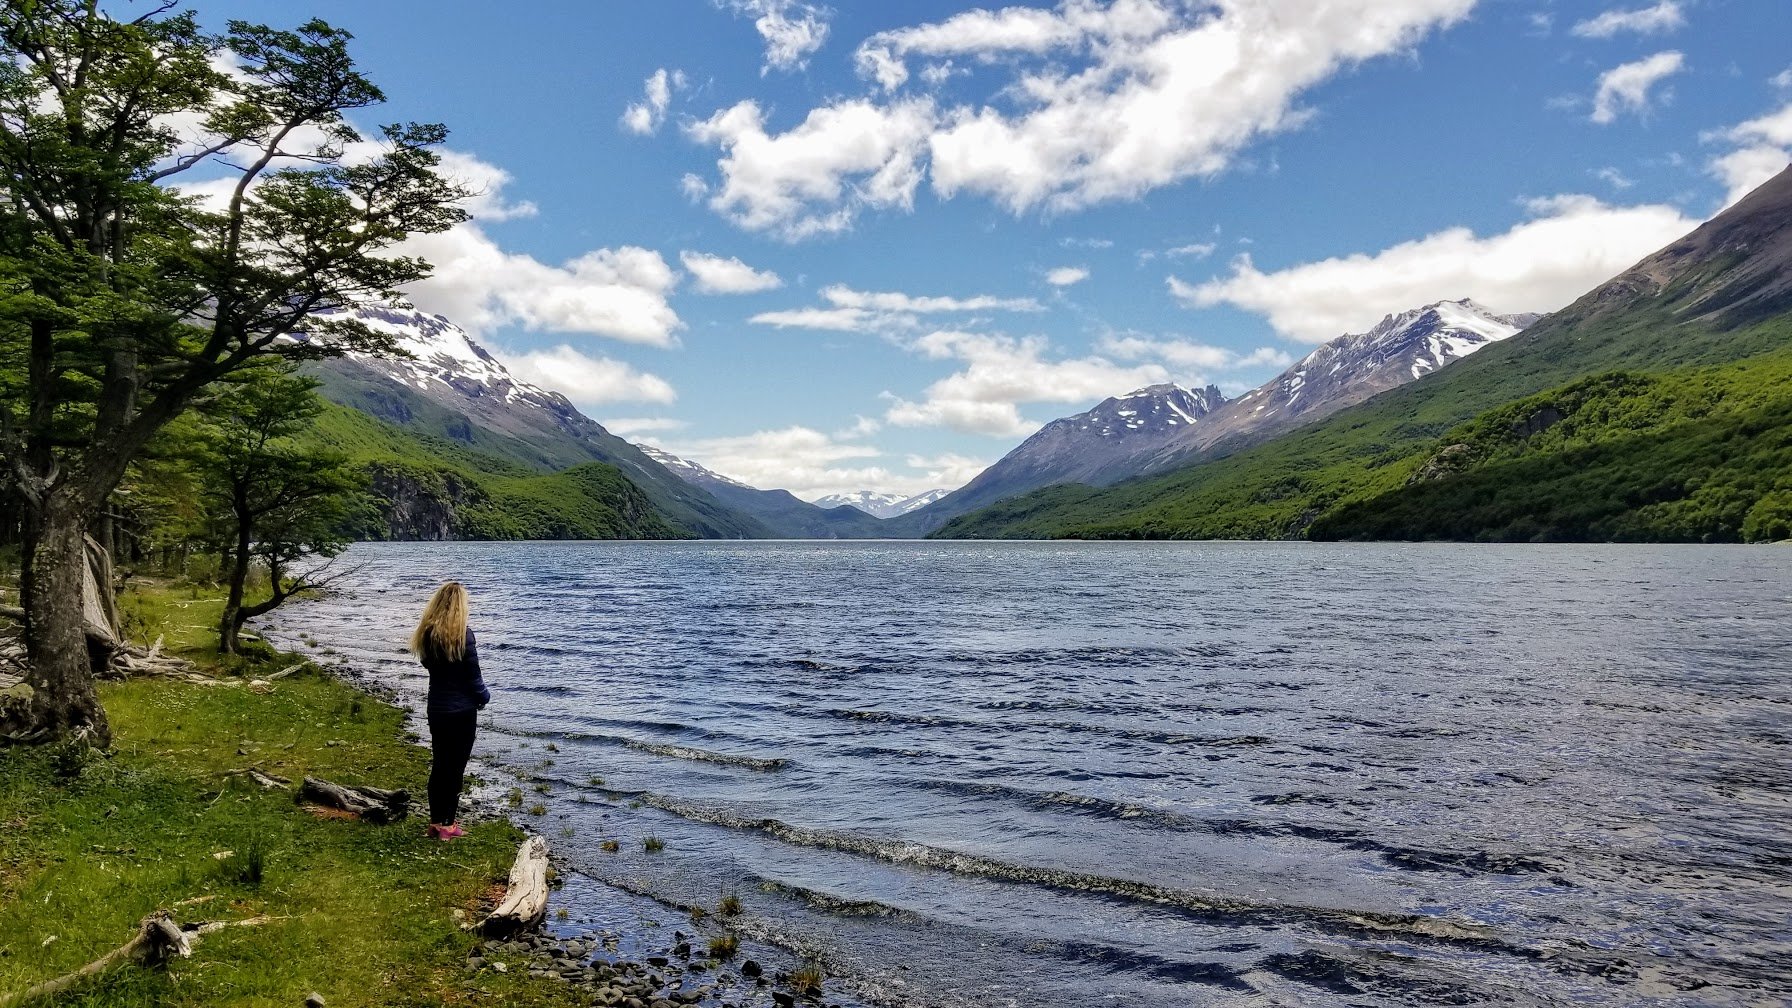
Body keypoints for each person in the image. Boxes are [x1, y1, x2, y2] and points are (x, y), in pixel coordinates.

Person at [411, 581, 491, 840]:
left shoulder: (427, 634)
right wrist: (484, 698)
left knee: (439, 764)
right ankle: (448, 824)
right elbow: (474, 676)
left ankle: (435, 822)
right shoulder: (463, 636)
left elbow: (428, 665)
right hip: (462, 712)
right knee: (456, 768)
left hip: (437, 708)